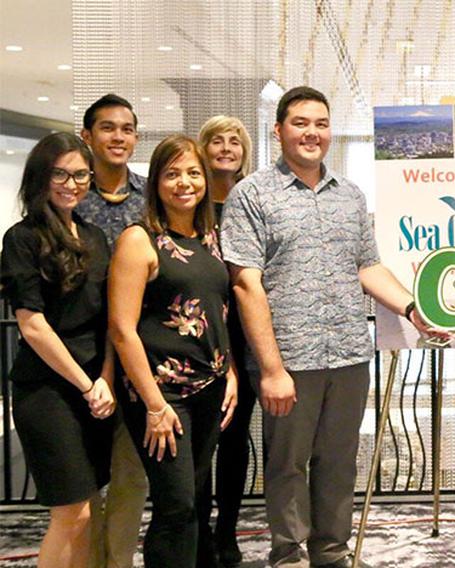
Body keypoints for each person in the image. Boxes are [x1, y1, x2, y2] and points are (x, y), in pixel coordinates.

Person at [220, 85, 439, 568]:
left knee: (339, 463)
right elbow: (245, 286)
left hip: (348, 354)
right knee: (287, 465)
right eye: (300, 123)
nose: (312, 133)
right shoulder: (251, 195)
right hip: (288, 361)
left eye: (320, 123)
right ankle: (289, 555)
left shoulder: (350, 195)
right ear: (278, 131)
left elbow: (368, 267)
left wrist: (413, 308)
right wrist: (271, 369)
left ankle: (332, 553)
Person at [108, 135, 238, 567]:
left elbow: (219, 311)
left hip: (211, 388)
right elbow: (123, 330)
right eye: (172, 173)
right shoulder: (139, 240)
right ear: (156, 182)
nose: (185, 182)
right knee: (176, 506)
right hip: (164, 397)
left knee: (196, 503)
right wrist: (153, 404)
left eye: (193, 172)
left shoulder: (210, 237)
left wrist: (231, 371)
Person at [1, 132, 117, 567]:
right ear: (41, 177)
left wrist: (105, 377)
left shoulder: (95, 237)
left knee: (87, 510)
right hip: (48, 392)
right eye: (61, 174)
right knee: (72, 512)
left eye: (81, 174)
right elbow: (33, 326)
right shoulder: (22, 238)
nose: (72, 183)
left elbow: (109, 320)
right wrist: (88, 385)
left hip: (94, 390)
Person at [78, 93, 149, 568]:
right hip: (79, 353)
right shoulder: (66, 196)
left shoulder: (151, 197)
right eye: (107, 128)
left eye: (126, 129)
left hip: (137, 354)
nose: (118, 137)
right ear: (87, 136)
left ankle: (117, 561)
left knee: (130, 477)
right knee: (82, 482)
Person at [195, 115, 254, 567]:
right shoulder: (186, 201)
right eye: (217, 140)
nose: (226, 148)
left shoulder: (252, 201)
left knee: (234, 439)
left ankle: (227, 530)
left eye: (235, 141)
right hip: (196, 336)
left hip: (243, 335)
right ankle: (196, 534)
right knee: (199, 442)